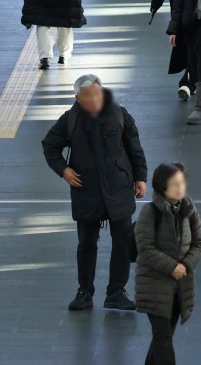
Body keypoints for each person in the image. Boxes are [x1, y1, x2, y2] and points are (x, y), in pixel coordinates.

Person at [41, 74, 147, 312]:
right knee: (87, 243)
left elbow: (134, 147)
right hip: (86, 190)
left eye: (98, 94)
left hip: (119, 187)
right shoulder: (70, 120)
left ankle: (116, 293)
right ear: (77, 98)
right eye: (89, 96)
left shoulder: (119, 114)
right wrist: (64, 170)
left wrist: (140, 177)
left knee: (123, 241)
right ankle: (84, 292)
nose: (95, 99)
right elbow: (50, 145)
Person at [135, 162, 201, 365]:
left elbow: (198, 243)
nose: (180, 187)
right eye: (175, 183)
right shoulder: (150, 212)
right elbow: (145, 248)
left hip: (179, 288)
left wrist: (185, 266)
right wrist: (172, 267)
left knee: (162, 339)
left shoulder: (189, 209)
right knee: (163, 340)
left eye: (182, 182)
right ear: (162, 186)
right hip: (154, 287)